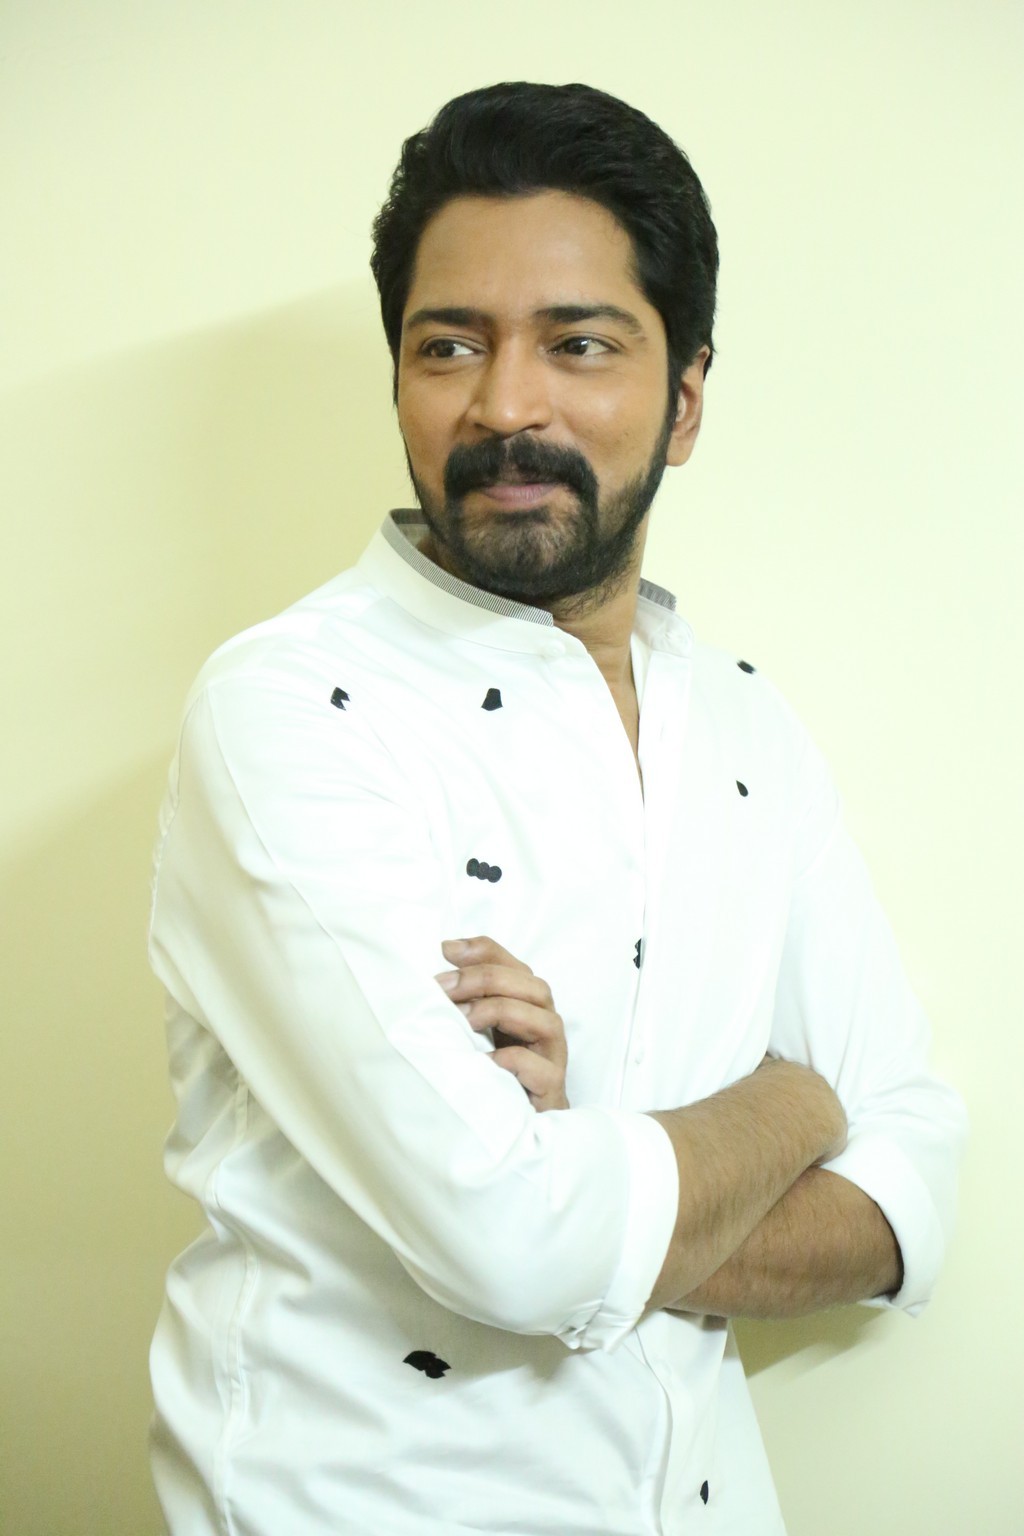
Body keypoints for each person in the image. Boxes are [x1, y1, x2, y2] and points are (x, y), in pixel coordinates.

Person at [147, 81, 966, 1536]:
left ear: (686, 400)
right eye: (449, 345)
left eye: (578, 344)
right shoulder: (288, 709)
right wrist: (796, 1099)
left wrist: (585, 1148)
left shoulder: (749, 728)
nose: (504, 406)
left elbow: (913, 1194)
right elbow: (510, 1241)